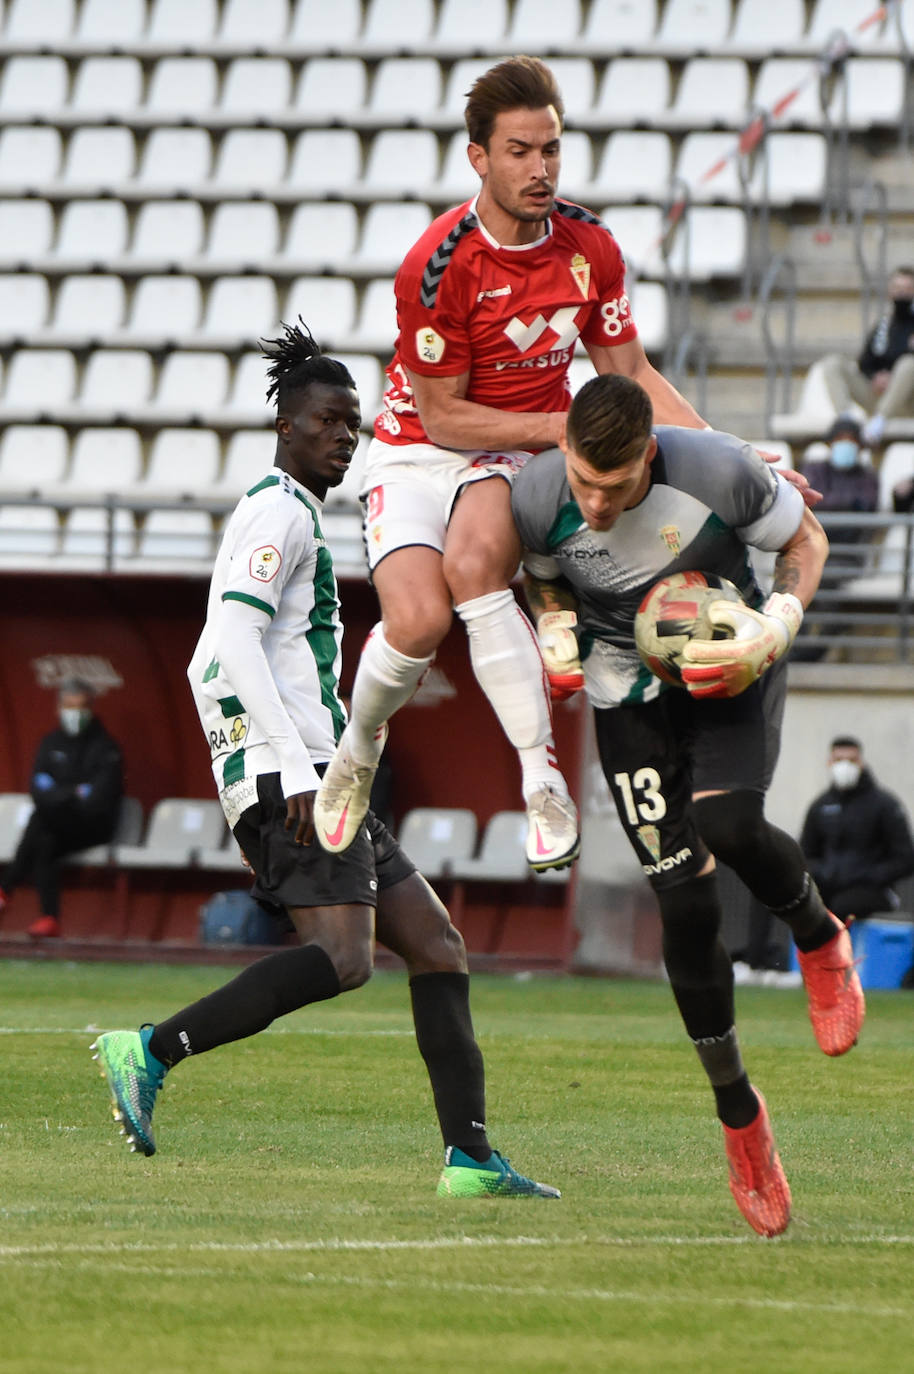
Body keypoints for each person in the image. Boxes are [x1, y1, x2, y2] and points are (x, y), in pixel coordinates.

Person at [91, 322, 557, 1200]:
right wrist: (281, 777)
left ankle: (469, 1160)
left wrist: (253, 777)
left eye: (355, 423)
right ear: (286, 427)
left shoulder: (296, 514)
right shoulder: (277, 511)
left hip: (315, 772)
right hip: (302, 776)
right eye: (328, 420)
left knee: (439, 945)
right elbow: (224, 642)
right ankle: (148, 1051)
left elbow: (203, 664)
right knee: (344, 960)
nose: (345, 436)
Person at [312, 55, 713, 877]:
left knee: (476, 571)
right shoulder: (437, 264)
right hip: (414, 447)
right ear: (479, 158)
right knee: (417, 625)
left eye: (552, 150)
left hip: (504, 452)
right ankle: (356, 751)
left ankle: (540, 781)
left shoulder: (590, 245)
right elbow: (442, 413)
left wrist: (729, 451)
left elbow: (627, 373)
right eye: (522, 151)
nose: (540, 169)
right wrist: (563, 427)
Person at [511, 372, 865, 1237]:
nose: (597, 504)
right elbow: (546, 578)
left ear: (651, 457)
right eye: (584, 483)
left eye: (618, 486)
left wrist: (777, 625)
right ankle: (741, 1120)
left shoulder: (719, 470)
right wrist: (553, 620)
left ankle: (819, 936)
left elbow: (806, 540)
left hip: (724, 661)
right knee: (684, 899)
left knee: (729, 824)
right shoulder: (534, 498)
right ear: (564, 452)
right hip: (622, 692)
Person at [0, 677, 123, 939]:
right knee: (45, 840)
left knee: (43, 819)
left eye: (81, 707)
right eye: (70, 706)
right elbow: (37, 791)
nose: (75, 714)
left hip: (93, 826)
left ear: (91, 708)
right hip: (57, 824)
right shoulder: (50, 743)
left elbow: (97, 800)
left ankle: (5, 888)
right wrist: (74, 792)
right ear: (58, 708)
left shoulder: (106, 747)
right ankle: (49, 918)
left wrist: (58, 792)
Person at [800, 736, 914, 923]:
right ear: (829, 763)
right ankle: (763, 951)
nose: (844, 766)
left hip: (873, 890)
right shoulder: (820, 806)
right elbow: (806, 854)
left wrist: (868, 875)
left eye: (851, 760)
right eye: (838, 760)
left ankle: (840, 951)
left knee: (842, 906)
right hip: (829, 884)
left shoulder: (884, 805)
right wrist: (825, 872)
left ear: (861, 763)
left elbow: (905, 859)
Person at [806, 265, 914, 447]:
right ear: (890, 292)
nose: (902, 294)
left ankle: (880, 421)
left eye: (907, 289)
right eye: (898, 289)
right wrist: (875, 377)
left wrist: (895, 376)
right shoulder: (884, 325)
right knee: (833, 363)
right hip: (877, 394)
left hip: (906, 401)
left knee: (909, 364)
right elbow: (865, 361)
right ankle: (846, 422)